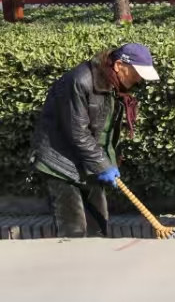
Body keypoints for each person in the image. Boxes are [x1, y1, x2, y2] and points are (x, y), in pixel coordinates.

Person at [29, 43, 160, 237]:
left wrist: (108, 163)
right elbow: (78, 132)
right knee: (73, 230)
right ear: (119, 66)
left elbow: (104, 131)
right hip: (60, 163)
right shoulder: (80, 81)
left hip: (89, 161)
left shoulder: (115, 86)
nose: (139, 79)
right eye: (137, 73)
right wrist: (103, 165)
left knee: (98, 227)